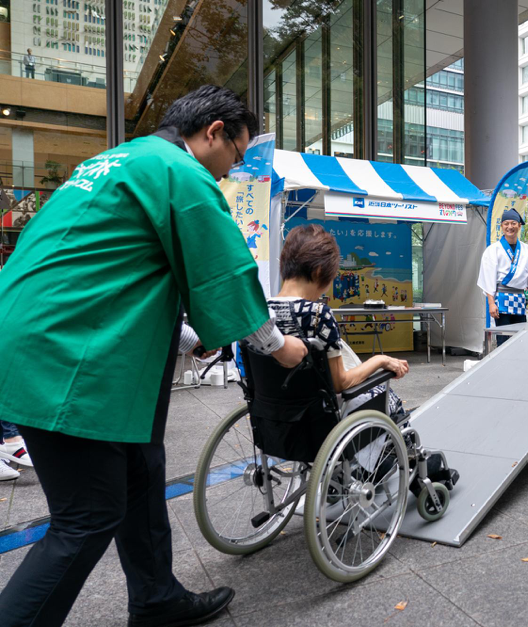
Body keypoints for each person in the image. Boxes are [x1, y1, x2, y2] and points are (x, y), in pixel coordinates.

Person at [0, 85, 308, 627]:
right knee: (88, 516)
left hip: (45, 331)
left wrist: (192, 339)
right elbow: (224, 274)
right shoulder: (181, 173)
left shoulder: (116, 160)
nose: (229, 174)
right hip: (69, 353)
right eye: (234, 157)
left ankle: (156, 597)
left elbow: (123, 273)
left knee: (143, 469)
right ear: (214, 131)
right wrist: (280, 348)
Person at [266, 224, 410, 416]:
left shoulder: (259, 314)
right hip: (318, 418)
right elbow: (340, 383)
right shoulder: (317, 314)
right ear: (319, 271)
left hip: (272, 412)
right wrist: (379, 360)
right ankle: (407, 445)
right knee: (388, 397)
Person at [477, 209, 528, 345]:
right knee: (503, 339)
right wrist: (491, 303)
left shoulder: (527, 250)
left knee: (520, 338)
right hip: (501, 299)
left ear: (519, 226)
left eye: (513, 223)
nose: (510, 227)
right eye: (506, 224)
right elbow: (488, 276)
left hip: (519, 300)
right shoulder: (493, 249)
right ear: (501, 226)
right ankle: (502, 365)